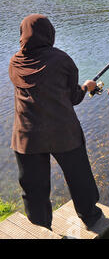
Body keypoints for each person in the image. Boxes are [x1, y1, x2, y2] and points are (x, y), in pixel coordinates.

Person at [9, 14, 102, 230]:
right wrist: (87, 86)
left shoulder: (15, 62)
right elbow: (73, 97)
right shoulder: (61, 60)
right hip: (63, 133)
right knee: (79, 177)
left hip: (27, 135)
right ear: (49, 33)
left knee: (33, 187)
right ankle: (90, 215)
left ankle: (41, 227)